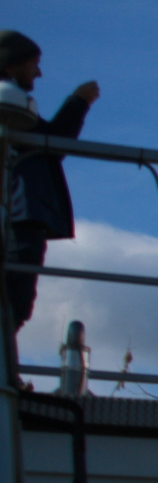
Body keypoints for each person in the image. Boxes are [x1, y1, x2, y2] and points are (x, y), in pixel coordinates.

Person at [0, 30, 99, 332]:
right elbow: (53, 144)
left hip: (17, 217)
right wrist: (79, 102)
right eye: (34, 63)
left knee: (14, 301)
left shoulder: (13, 106)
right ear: (12, 65)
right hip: (18, 218)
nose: (39, 72)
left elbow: (49, 142)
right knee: (13, 298)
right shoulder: (9, 104)